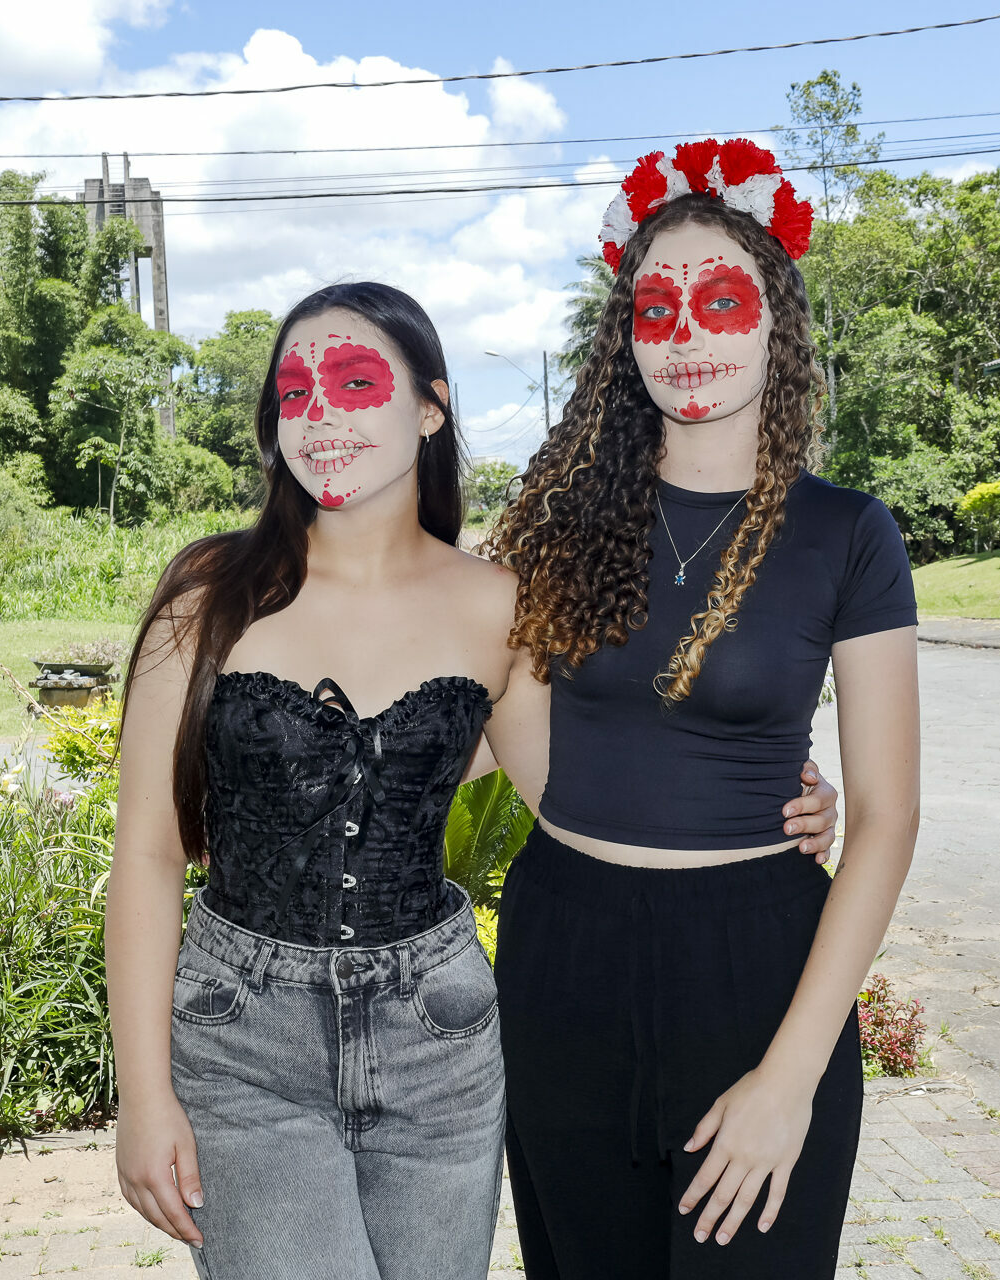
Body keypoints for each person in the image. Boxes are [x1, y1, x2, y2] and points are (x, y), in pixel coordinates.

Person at [104, 277, 848, 1278]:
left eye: (355, 382)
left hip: (437, 1038)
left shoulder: (497, 603)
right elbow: (150, 854)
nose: (321, 415)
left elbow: (580, 796)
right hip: (243, 1045)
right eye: (294, 393)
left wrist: (770, 799)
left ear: (430, 408)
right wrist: (144, 1094)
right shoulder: (208, 598)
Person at [485, 137, 923, 1280]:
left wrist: (790, 1075)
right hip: (563, 950)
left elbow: (887, 818)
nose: (687, 336)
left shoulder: (847, 532)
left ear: (776, 320)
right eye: (656, 309)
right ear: (624, 337)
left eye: (721, 301)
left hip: (756, 963)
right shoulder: (562, 521)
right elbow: (493, 719)